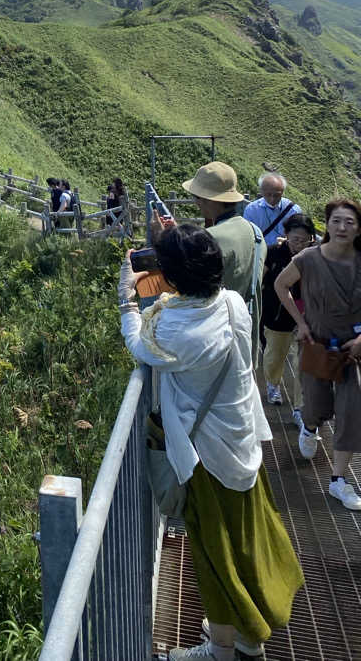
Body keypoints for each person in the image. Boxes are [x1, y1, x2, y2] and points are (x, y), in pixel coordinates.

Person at [119, 224, 303, 660]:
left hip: (207, 456)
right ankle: (242, 629)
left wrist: (127, 298)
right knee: (245, 539)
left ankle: (226, 648)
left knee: (213, 549)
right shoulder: (232, 303)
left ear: (173, 277)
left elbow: (137, 342)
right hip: (241, 439)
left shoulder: (174, 332)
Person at [274, 198, 361, 510]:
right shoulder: (309, 258)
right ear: (328, 224)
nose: (342, 227)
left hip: (354, 350)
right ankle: (309, 427)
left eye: (349, 222)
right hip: (317, 345)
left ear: (358, 228)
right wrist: (301, 324)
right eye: (337, 220)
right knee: (315, 406)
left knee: (352, 412)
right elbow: (280, 285)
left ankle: (338, 480)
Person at [172, 162, 266, 363]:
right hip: (247, 333)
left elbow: (188, 286)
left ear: (209, 200)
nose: (196, 202)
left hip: (218, 339)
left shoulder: (211, 238)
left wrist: (165, 239)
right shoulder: (255, 233)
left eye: (197, 197)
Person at [261, 213, 316, 421]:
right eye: (295, 239)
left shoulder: (313, 256)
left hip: (307, 319)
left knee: (303, 364)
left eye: (304, 240)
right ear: (286, 235)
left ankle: (300, 409)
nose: (299, 244)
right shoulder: (274, 253)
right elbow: (261, 280)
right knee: (275, 356)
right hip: (277, 316)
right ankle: (273, 383)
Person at [243, 174, 302, 246]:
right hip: (262, 252)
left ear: (282, 192)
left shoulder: (293, 210)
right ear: (261, 191)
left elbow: (300, 234)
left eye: (277, 195)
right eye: (268, 194)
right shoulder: (251, 210)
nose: (272, 199)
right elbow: (247, 236)